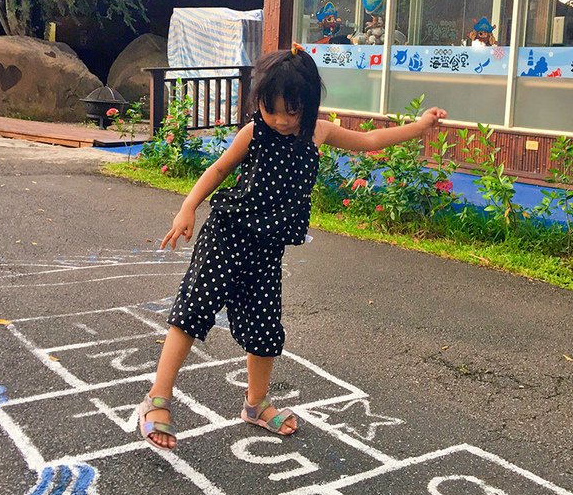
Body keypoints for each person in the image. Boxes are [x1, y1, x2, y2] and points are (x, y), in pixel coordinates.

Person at [138, 44, 447, 454]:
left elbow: (370, 139)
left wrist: (420, 125)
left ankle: (256, 404)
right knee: (192, 313)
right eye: (272, 110)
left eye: (292, 111)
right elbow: (216, 170)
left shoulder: (317, 131)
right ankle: (157, 398)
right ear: (259, 104)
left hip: (268, 249)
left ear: (309, 105)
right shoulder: (254, 133)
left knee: (265, 329)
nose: (282, 120)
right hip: (228, 235)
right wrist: (187, 207)